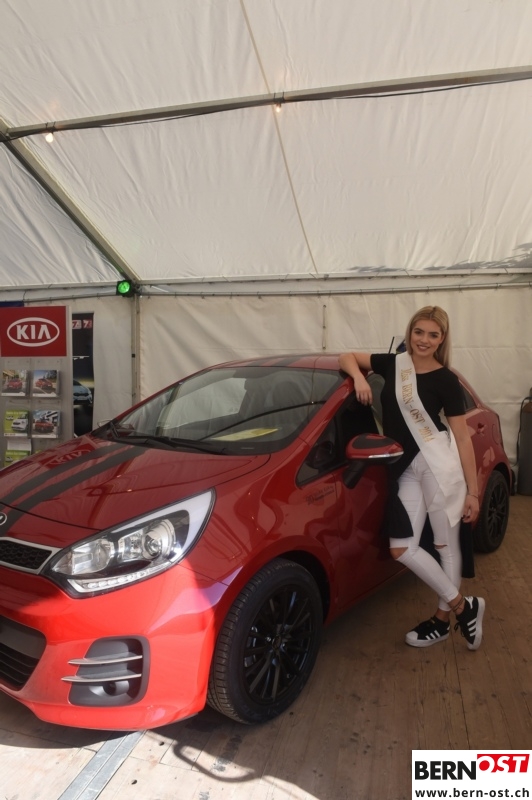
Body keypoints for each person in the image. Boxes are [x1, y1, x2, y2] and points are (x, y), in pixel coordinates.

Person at [338, 306, 485, 650]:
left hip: (437, 465)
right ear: (410, 332)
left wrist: (473, 492)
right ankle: (464, 607)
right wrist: (359, 378)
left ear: (442, 339)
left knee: (444, 546)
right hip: (404, 467)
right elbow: (347, 357)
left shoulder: (446, 380)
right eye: (419, 332)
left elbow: (462, 438)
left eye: (433, 334)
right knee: (401, 548)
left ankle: (442, 621)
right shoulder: (394, 364)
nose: (424, 340)